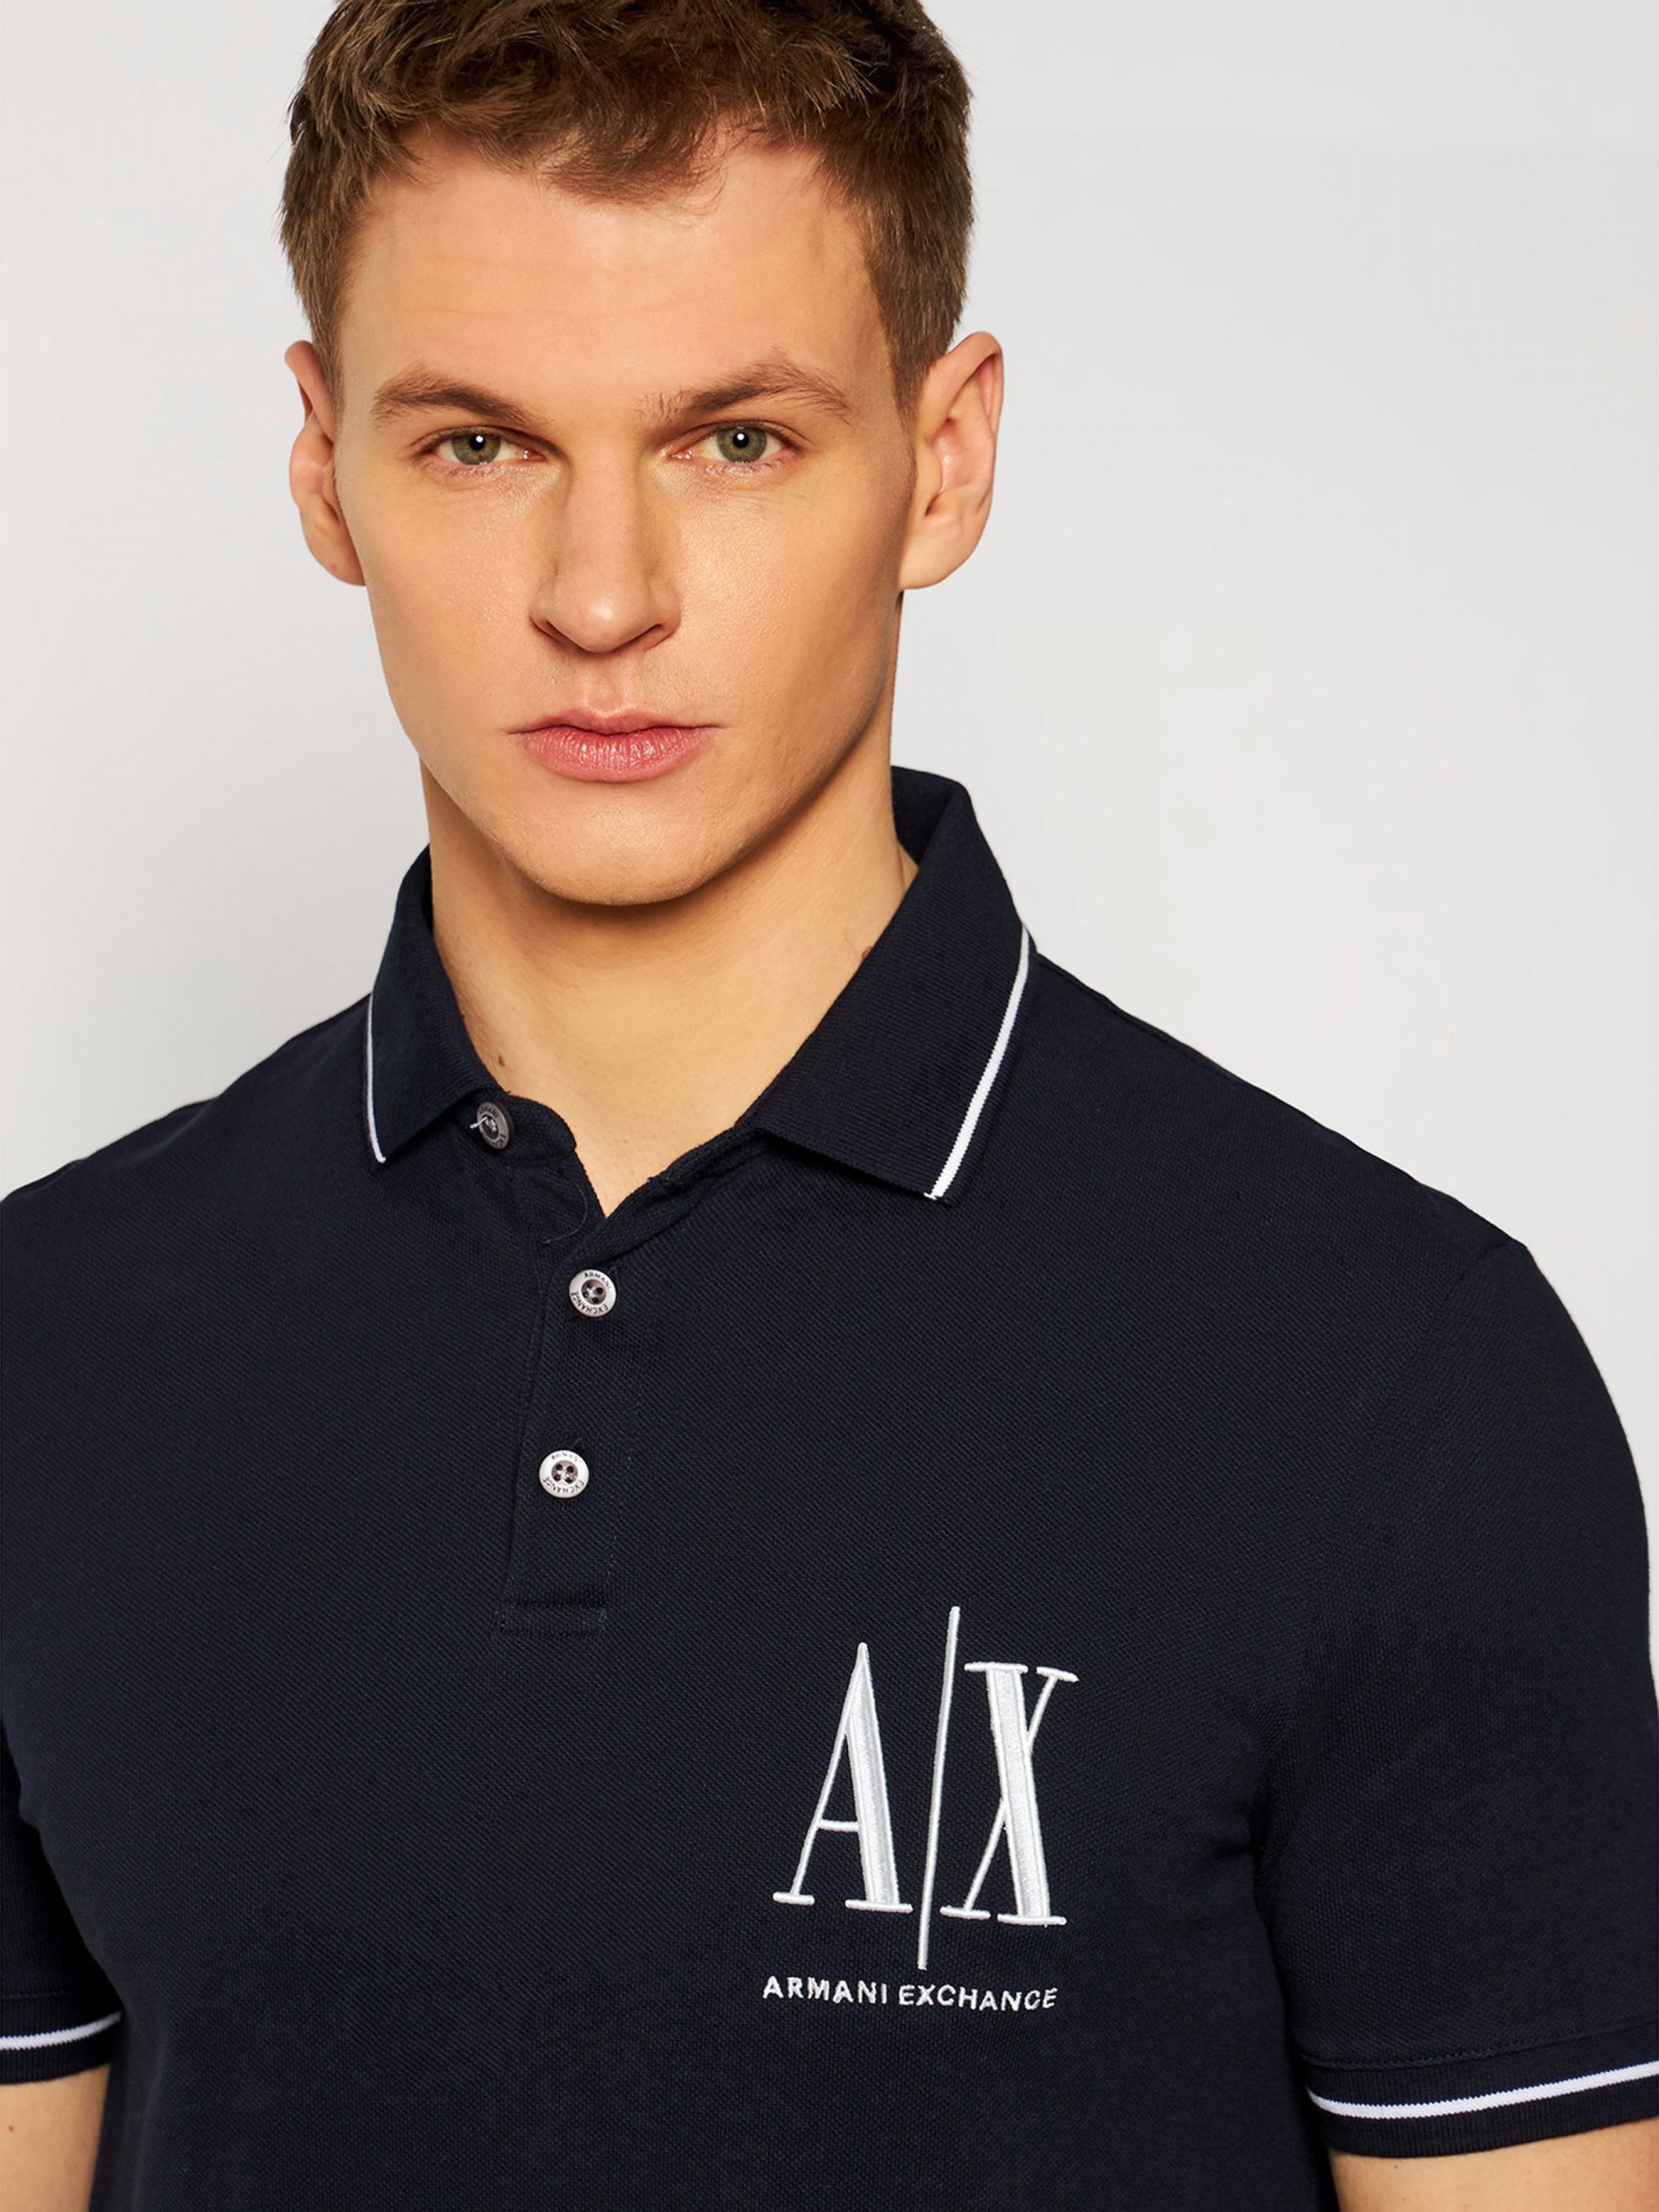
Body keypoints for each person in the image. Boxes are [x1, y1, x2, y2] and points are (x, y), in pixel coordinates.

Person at [2, 1, 1654, 2205]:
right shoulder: (45, 1343)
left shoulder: (1398, 1383)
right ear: (323, 470)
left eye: (736, 440)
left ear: (943, 458)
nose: (602, 597)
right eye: (479, 442)